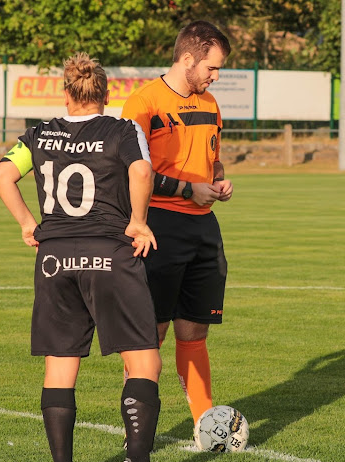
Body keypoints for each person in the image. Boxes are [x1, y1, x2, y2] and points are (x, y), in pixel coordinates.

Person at [0, 52, 185, 462]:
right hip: (109, 253)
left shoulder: (38, 135)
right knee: (144, 357)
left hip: (55, 257)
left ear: (66, 92)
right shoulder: (121, 129)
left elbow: (1, 176)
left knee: (61, 363)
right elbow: (141, 169)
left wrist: (27, 223)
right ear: (105, 92)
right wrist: (138, 220)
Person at [121, 20, 233, 426]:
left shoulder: (210, 104)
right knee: (151, 334)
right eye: (211, 68)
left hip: (204, 229)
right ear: (188, 59)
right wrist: (187, 190)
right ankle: (137, 431)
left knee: (195, 331)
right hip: (158, 227)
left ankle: (206, 424)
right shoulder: (143, 104)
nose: (215, 77)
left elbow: (212, 157)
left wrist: (218, 180)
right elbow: (131, 171)